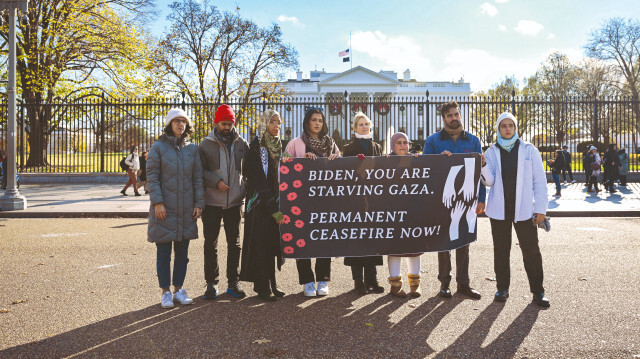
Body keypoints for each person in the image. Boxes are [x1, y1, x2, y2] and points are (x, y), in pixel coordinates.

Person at [480, 112, 550, 308]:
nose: (508, 128)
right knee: (501, 251)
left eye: (511, 125)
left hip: (525, 210)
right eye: (503, 125)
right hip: (499, 210)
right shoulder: (492, 152)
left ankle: (538, 291)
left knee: (531, 251)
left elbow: (540, 181)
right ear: (498, 129)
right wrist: (483, 166)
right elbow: (490, 182)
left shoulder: (529, 150)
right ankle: (502, 288)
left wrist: (541, 208)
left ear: (515, 127)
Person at [422, 100, 485, 300]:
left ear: (460, 115)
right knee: (444, 242)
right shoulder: (433, 141)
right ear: (443, 119)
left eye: (456, 114)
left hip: (467, 198)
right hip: (442, 197)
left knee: (464, 241)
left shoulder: (474, 141)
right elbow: (425, 169)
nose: (454, 118)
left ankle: (463, 284)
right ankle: (444, 284)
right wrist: (438, 160)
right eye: (449, 116)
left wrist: (481, 199)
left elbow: (479, 173)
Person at [147, 108, 204, 309]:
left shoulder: (192, 149)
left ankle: (178, 289)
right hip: (165, 207)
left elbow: (198, 178)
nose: (180, 124)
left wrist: (199, 203)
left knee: (182, 253)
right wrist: (158, 203)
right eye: (176, 121)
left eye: (183, 121)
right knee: (163, 252)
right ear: (170, 124)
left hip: (187, 208)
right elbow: (152, 177)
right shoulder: (158, 147)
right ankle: (165, 293)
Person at [285, 107, 340, 297]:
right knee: (302, 239)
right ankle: (308, 281)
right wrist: (302, 160)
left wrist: (335, 160)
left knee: (324, 237)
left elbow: (342, 172)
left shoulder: (331, 144)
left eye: (320, 120)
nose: (318, 123)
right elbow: (284, 170)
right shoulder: (295, 143)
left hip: (325, 199)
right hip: (301, 200)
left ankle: (323, 279)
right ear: (307, 122)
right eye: (314, 120)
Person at [199, 104, 249, 300]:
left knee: (234, 244)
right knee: (210, 244)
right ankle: (211, 283)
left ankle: (233, 282)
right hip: (212, 201)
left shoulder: (241, 143)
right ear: (216, 123)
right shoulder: (205, 144)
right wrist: (215, 182)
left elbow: (248, 169)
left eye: (229, 123)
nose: (227, 127)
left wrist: (242, 188)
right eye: (223, 123)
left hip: (235, 202)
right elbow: (199, 171)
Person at [239, 109, 286, 302]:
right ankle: (262, 287)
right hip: (260, 205)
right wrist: (274, 210)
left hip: (276, 203)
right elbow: (259, 182)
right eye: (272, 122)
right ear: (264, 124)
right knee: (261, 246)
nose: (276, 126)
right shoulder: (256, 149)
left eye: (278, 122)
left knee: (273, 244)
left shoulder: (279, 147)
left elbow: (290, 168)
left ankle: (272, 284)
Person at [341, 112, 385, 295]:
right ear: (354, 128)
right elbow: (346, 174)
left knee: (372, 238)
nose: (364, 127)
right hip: (356, 200)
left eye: (367, 123)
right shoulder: (348, 148)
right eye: (360, 124)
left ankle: (372, 278)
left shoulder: (377, 147)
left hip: (373, 199)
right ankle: (358, 280)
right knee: (357, 239)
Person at [386, 132, 422, 298]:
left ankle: (415, 284)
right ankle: (395, 284)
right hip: (392, 211)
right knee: (394, 248)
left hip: (413, 210)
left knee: (414, 248)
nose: (402, 145)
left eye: (405, 142)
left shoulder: (416, 160)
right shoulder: (385, 161)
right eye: (398, 143)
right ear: (393, 145)